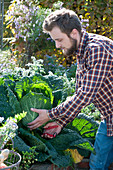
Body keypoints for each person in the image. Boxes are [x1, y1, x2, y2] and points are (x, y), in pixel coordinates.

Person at [28, 8, 113, 169]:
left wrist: (49, 115)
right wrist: (61, 122)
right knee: (98, 162)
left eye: (59, 39)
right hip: (109, 117)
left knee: (98, 164)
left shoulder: (97, 50)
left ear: (74, 33)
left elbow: (85, 96)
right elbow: (80, 94)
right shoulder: (83, 49)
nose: (57, 45)